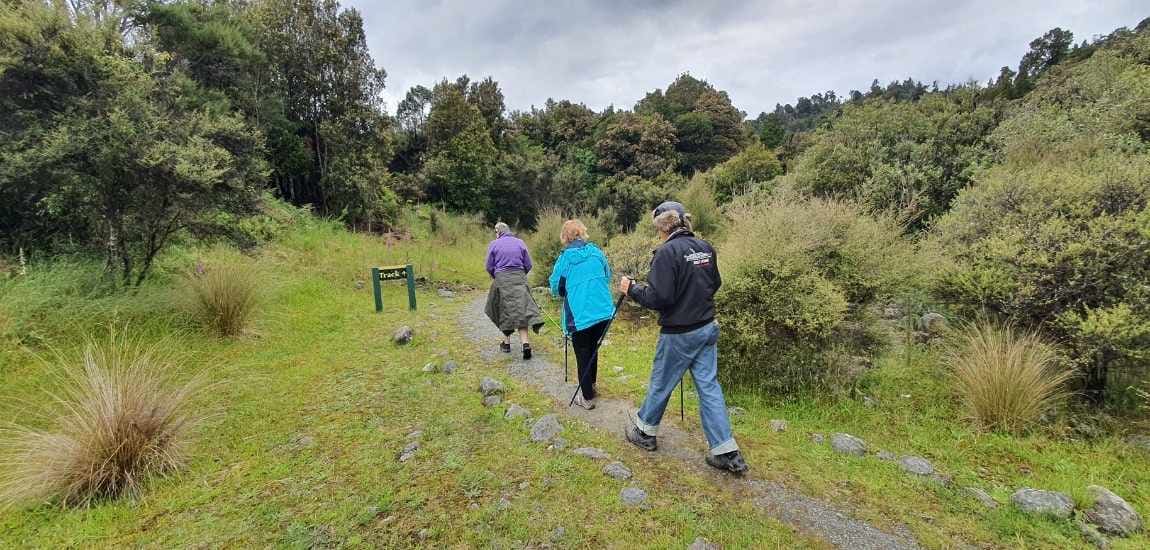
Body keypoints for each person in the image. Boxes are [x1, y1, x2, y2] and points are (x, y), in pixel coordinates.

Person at [619, 201, 748, 474]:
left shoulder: (666, 253)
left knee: (661, 382)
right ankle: (726, 452)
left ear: (660, 226)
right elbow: (715, 283)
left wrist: (631, 289)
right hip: (707, 327)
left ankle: (644, 433)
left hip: (680, 332)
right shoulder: (704, 247)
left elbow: (659, 298)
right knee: (709, 387)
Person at [548, 219, 615, 410]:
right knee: (592, 348)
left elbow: (556, 288)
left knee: (583, 352)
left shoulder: (565, 260)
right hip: (603, 312)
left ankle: (586, 397)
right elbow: (607, 275)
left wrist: (570, 290)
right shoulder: (597, 252)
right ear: (582, 233)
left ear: (565, 237)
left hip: (580, 316)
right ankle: (591, 386)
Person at [485, 222, 544, 360]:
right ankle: (525, 344)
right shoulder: (520, 243)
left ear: (498, 231)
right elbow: (528, 264)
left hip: (502, 279)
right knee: (522, 310)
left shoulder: (494, 244)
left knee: (504, 310)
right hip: (519, 278)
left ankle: (506, 344)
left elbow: (489, 266)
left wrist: (497, 277)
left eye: (495, 231)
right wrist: (521, 275)